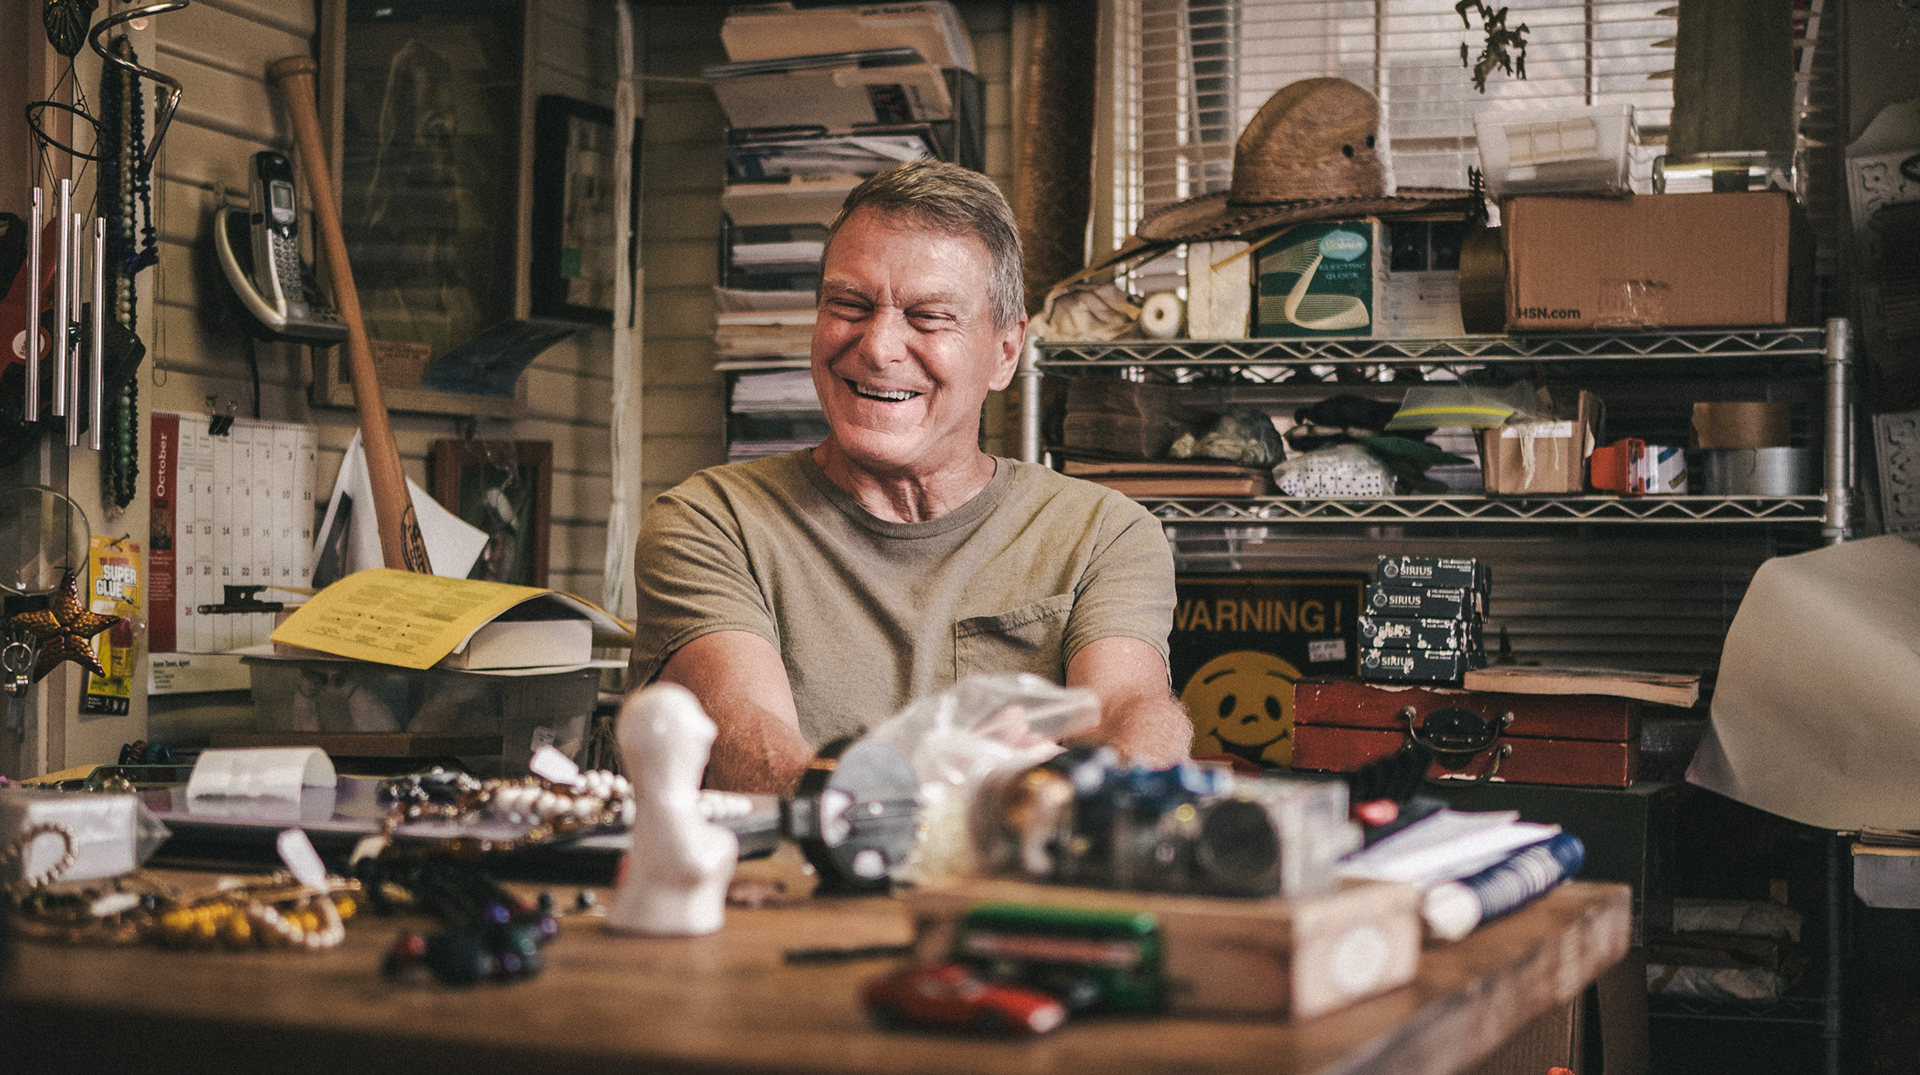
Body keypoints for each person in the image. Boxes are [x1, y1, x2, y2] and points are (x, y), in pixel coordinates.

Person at [628, 159, 1191, 794]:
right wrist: (941, 807)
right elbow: (750, 742)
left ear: (1005, 353)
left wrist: (1123, 787)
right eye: (849, 305)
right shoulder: (712, 522)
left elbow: (1126, 715)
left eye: (928, 317)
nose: (877, 347)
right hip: (800, 861)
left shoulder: (1103, 534)